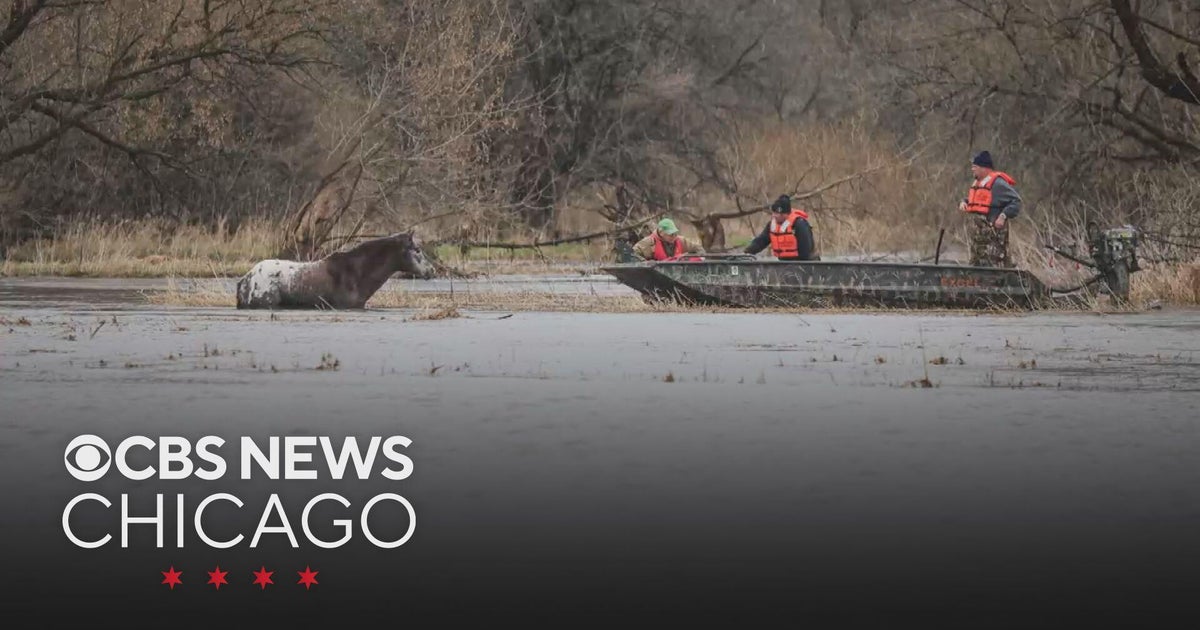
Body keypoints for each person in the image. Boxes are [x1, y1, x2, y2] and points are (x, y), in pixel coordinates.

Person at [959, 150, 1021, 267]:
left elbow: (1016, 201)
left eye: (975, 167)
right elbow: (975, 201)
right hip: (978, 243)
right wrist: (964, 202)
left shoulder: (998, 184)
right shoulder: (979, 184)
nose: (972, 169)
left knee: (994, 269)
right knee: (976, 268)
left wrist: (1003, 216)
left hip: (993, 241)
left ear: (985, 168)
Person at [743, 194, 817, 260]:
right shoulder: (772, 225)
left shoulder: (799, 224)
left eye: (780, 214)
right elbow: (761, 242)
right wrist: (746, 253)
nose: (776, 216)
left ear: (787, 214)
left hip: (805, 263)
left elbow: (806, 251)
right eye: (775, 213)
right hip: (784, 264)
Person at [631, 218, 704, 261]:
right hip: (658, 274)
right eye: (671, 234)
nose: (674, 236)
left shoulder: (681, 241)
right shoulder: (649, 242)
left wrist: (702, 256)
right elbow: (632, 254)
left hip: (678, 272)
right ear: (661, 232)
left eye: (675, 233)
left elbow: (698, 248)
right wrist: (645, 263)